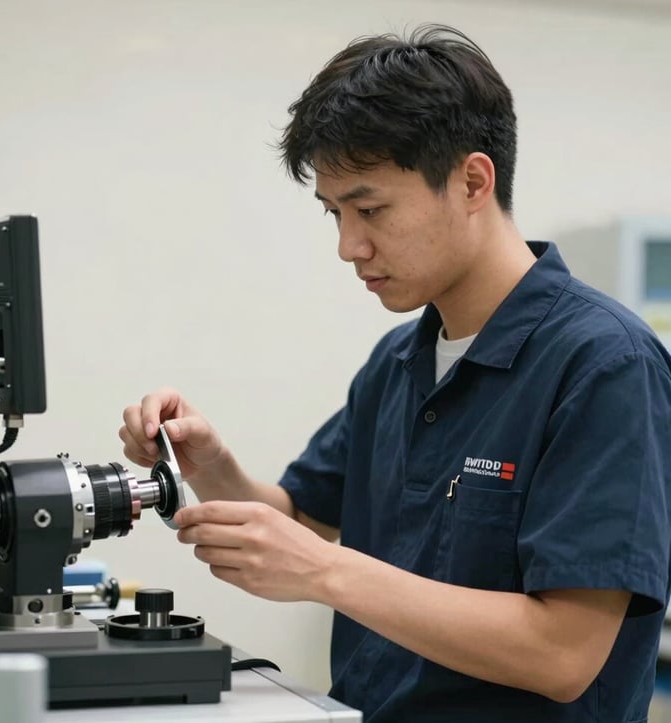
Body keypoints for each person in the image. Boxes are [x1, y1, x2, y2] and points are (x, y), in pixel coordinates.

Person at [119, 24, 671, 722]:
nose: (349, 246)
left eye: (371, 209)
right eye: (335, 214)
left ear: (472, 182)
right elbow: (300, 518)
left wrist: (326, 573)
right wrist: (209, 463)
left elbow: (563, 654)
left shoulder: (605, 365)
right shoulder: (398, 361)